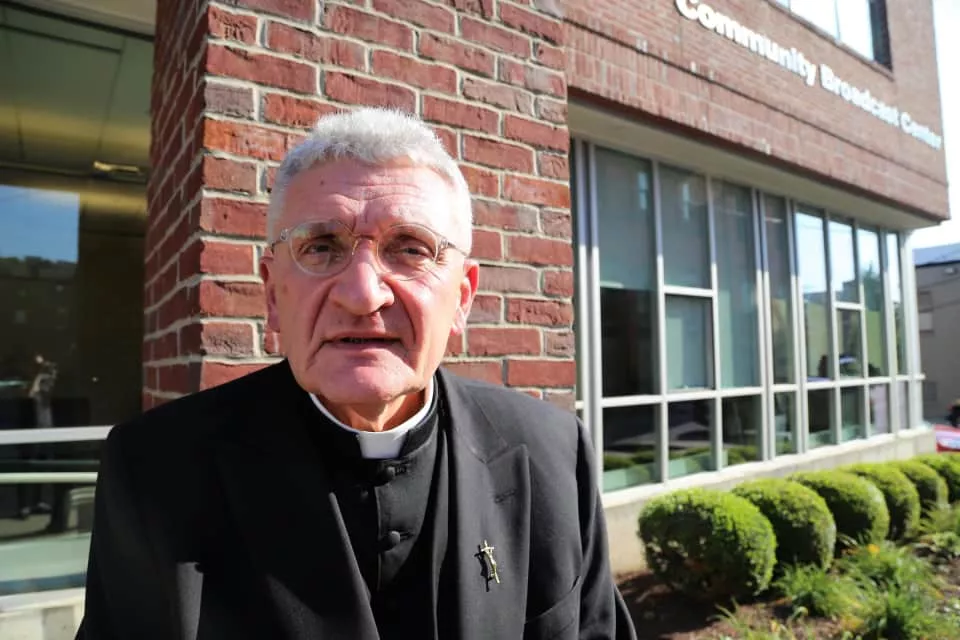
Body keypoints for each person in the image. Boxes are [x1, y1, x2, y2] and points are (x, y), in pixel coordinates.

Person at [76, 108, 636, 640]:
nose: (363, 294)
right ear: (272, 294)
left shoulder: (553, 452)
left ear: (463, 297)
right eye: (321, 247)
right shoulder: (156, 472)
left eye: (410, 248)